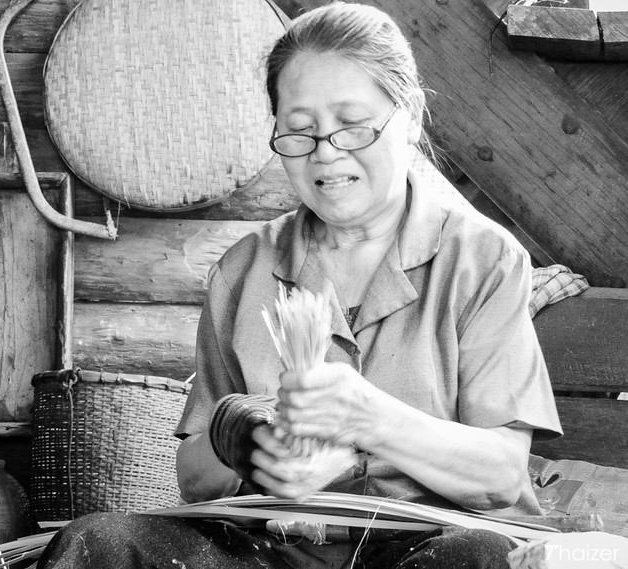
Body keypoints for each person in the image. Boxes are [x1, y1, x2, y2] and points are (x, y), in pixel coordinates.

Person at [37, 3, 562, 568]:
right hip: (270, 550)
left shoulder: (481, 259)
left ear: (407, 117)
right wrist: (237, 435)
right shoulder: (245, 269)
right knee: (100, 545)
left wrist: (369, 419)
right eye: (300, 130)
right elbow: (194, 481)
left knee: (475, 558)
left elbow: (501, 476)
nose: (326, 153)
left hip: (423, 548)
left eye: (352, 124)